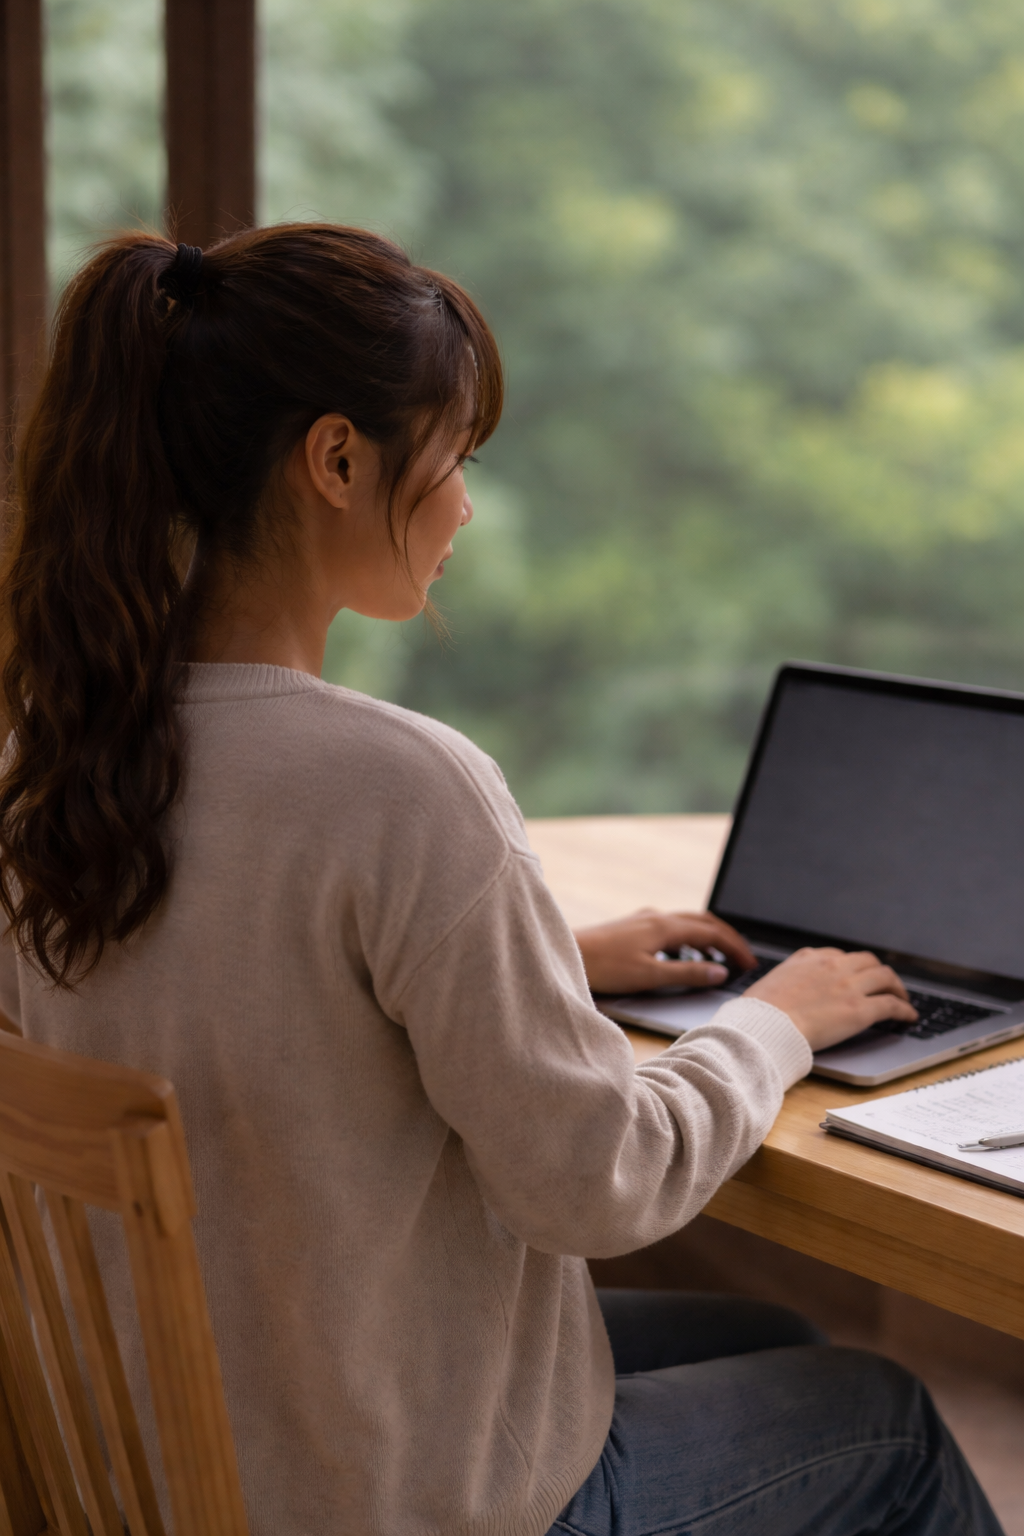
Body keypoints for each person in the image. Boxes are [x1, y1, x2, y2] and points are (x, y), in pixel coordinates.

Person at [0, 227, 1001, 1536]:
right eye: (455, 455)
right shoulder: (403, 786)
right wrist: (780, 1022)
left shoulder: (56, 760)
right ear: (340, 461)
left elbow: (242, 982)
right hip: (383, 1495)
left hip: (179, 1452)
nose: (465, 503)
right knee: (879, 1419)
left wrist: (551, 959)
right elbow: (595, 1182)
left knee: (768, 1330)